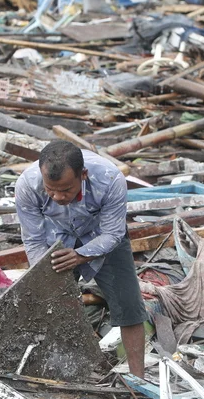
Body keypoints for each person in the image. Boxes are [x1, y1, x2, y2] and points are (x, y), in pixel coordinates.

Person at [15, 140, 148, 378]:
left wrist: (81, 255)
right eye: (50, 189)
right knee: (47, 308)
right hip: (55, 240)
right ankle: (56, 378)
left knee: (129, 306)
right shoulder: (27, 184)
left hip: (103, 238)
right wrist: (44, 273)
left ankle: (139, 379)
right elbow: (33, 240)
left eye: (66, 190)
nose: (57, 196)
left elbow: (113, 233)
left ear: (83, 175)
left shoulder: (110, 179)